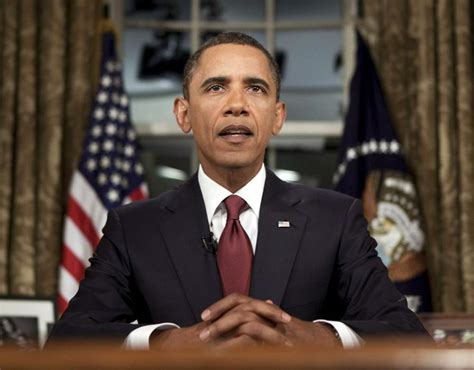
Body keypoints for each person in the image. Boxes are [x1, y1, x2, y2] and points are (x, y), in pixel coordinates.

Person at [48, 32, 428, 349]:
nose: (236, 106)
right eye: (216, 87)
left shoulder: (335, 219)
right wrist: (166, 342)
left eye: (255, 88)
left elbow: (407, 335)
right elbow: (69, 339)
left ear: (277, 116)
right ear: (184, 114)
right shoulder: (134, 228)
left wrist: (318, 336)